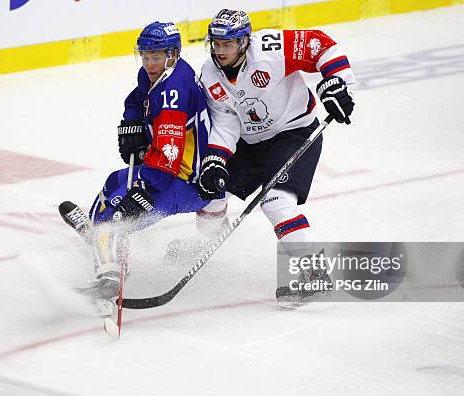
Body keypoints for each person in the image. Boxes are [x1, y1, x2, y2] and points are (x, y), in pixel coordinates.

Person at [170, 9, 356, 308]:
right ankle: (204, 244)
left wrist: (337, 83)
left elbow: (321, 45)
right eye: (216, 43)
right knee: (211, 191)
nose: (220, 50)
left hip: (294, 133)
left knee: (277, 203)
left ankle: (314, 276)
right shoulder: (209, 73)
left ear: (244, 42)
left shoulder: (271, 49)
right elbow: (226, 121)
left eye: (227, 44)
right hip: (251, 142)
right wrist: (216, 159)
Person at [59, 21, 211, 309]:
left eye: (155, 56)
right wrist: (132, 123)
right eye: (145, 55)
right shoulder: (161, 72)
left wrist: (145, 192)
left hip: (184, 183)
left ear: (173, 53)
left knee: (115, 220)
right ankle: (102, 245)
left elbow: (167, 153)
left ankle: (109, 275)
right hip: (171, 173)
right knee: (113, 184)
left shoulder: (173, 92)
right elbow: (137, 98)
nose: (149, 63)